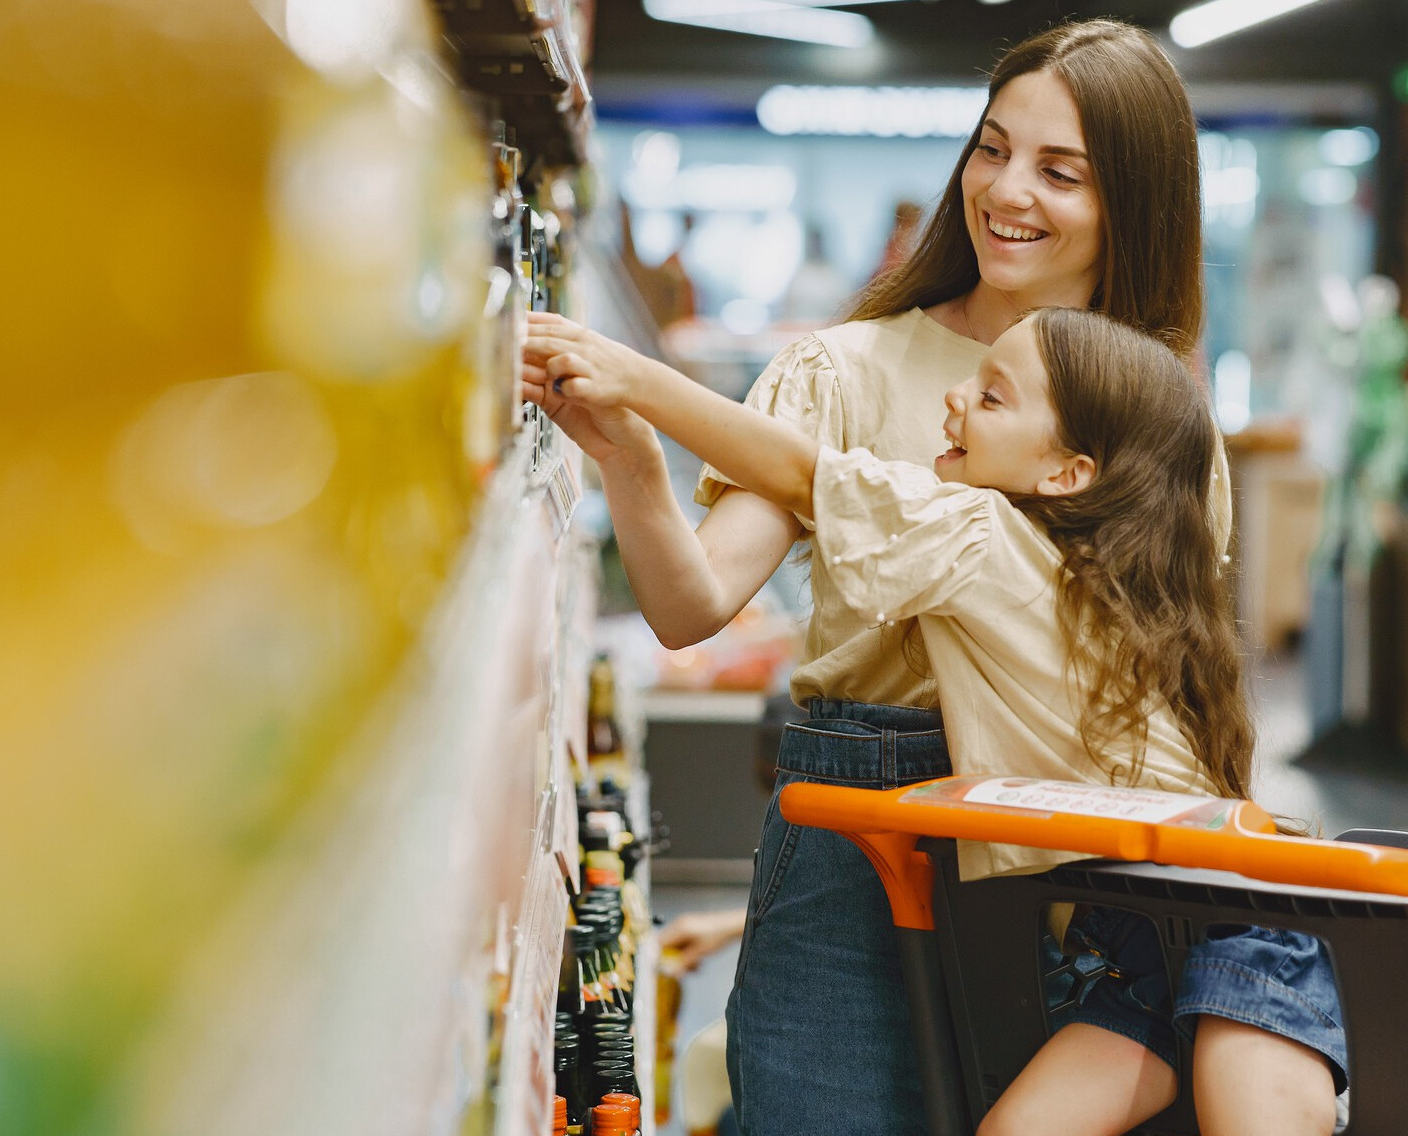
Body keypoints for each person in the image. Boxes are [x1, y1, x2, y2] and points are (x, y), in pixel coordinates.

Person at [529, 19, 1239, 1134]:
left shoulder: (1158, 418)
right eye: (992, 148)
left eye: (1060, 172)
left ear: (1133, 205)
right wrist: (630, 457)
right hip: (857, 835)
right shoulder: (846, 366)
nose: (1006, 190)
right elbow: (688, 603)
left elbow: (1168, 663)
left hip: (1083, 866)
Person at [524, 305, 1345, 1136]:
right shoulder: (1102, 575)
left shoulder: (989, 539)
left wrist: (634, 379)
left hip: (1235, 926)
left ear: (1067, 472)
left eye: (992, 396)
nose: (953, 397)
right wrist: (630, 448)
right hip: (1130, 950)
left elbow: (805, 473)